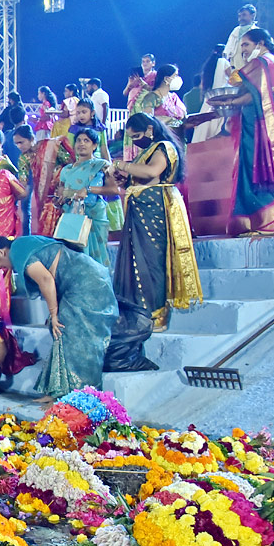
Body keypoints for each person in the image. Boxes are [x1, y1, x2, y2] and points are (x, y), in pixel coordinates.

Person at [105, 113, 203, 369]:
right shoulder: (147, 150)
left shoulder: (164, 147)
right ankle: (138, 315)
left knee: (151, 264)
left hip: (155, 212)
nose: (136, 140)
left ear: (149, 128)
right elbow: (140, 176)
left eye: (137, 135)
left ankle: (155, 315)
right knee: (136, 265)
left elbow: (152, 171)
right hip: (141, 211)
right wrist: (125, 178)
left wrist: (122, 165)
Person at [0, 235, 117, 401]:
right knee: (57, 328)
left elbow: (46, 279)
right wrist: (53, 314)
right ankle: (58, 391)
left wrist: (54, 313)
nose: (0, 268)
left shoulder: (17, 251)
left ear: (1, 252)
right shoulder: (24, 243)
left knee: (64, 327)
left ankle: (82, 395)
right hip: (86, 278)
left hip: (87, 282)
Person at [223, 28, 274, 235]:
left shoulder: (262, 63)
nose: (242, 49)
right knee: (272, 167)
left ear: (260, 43)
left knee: (259, 168)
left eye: (246, 45)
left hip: (263, 123)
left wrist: (229, 102)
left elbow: (254, 95)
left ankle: (263, 221)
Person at [56, 127, 120, 269]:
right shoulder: (67, 170)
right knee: (73, 254)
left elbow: (115, 190)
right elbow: (61, 191)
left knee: (95, 256)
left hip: (94, 215)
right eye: (78, 140)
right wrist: (60, 200)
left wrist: (89, 190)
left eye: (86, 140)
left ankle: (98, 286)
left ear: (95, 145)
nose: (81, 144)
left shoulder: (102, 165)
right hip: (71, 216)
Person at [13, 124, 68, 237]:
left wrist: (62, 182)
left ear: (32, 139)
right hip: (44, 195)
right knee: (47, 228)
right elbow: (23, 180)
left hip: (63, 191)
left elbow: (69, 162)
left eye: (21, 142)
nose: (19, 146)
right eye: (16, 143)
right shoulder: (23, 158)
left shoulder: (51, 146)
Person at [224, 4, 259, 71]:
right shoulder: (236, 30)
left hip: (249, 68)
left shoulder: (256, 32)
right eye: (239, 16)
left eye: (244, 15)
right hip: (234, 67)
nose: (240, 18)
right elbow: (228, 48)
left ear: (253, 15)